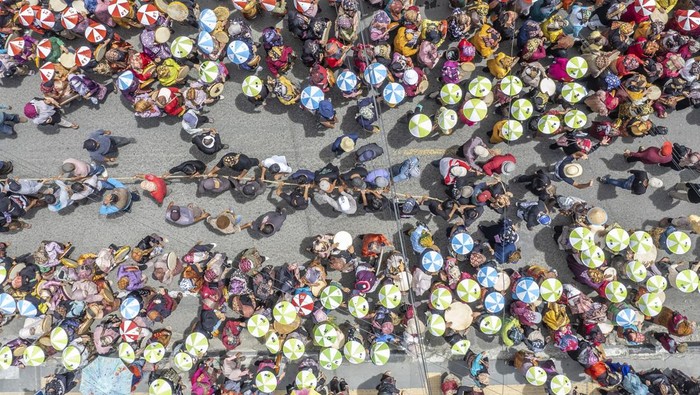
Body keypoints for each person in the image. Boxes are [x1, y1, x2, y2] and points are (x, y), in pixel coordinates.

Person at [598, 170, 662, 195]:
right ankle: (606, 181)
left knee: (621, 181)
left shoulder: (643, 174)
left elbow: (635, 171)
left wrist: (630, 171)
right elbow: (634, 192)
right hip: (629, 185)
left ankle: (605, 179)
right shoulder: (642, 190)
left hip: (632, 178)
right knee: (618, 183)